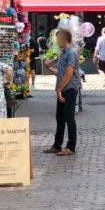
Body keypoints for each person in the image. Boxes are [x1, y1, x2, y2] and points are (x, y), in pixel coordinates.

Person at [42, 28, 79, 156]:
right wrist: (49, 67)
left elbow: (69, 74)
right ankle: (57, 145)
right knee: (60, 118)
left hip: (69, 89)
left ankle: (71, 147)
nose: (56, 42)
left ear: (63, 39)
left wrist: (59, 89)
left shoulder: (71, 53)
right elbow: (61, 73)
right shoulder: (64, 53)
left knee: (69, 118)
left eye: (58, 39)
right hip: (63, 89)